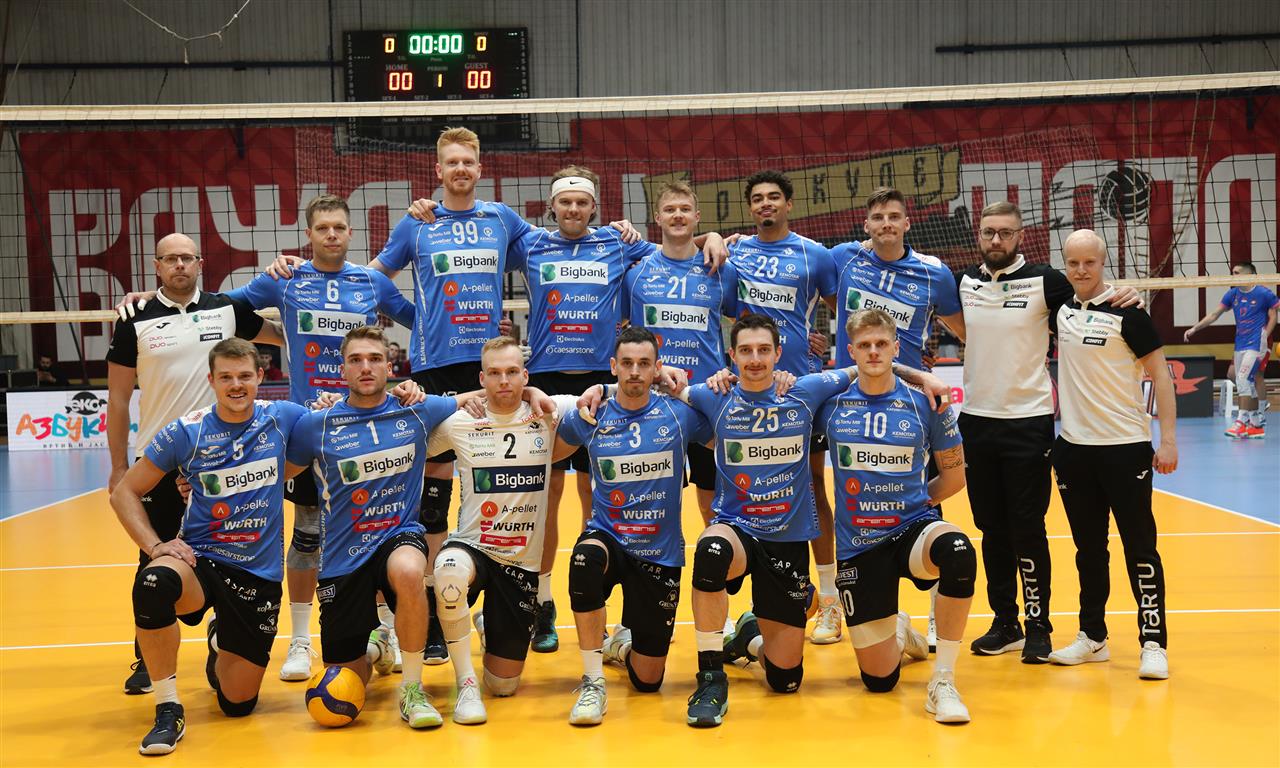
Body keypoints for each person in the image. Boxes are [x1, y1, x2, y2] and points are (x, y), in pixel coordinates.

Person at [220, 194, 417, 681]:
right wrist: (279, 333)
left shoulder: (371, 281)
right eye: (323, 227)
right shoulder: (286, 279)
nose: (331, 234)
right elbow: (224, 309)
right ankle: (301, 641)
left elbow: (423, 320)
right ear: (308, 234)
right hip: (310, 426)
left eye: (339, 227)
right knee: (307, 533)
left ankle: (385, 632)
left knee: (374, 527)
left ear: (350, 233)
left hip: (365, 425)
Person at [955, 201, 1139, 663]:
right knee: (990, 528)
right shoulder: (965, 282)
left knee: (1027, 527)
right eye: (988, 231)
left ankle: (1038, 626)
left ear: (1020, 237)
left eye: (1005, 232)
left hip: (1027, 421)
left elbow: (1089, 295)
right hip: (976, 421)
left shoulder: (1046, 280)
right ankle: (1005, 623)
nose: (996, 239)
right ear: (979, 234)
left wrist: (1125, 293)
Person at [109, 338, 309, 755]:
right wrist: (155, 546)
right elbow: (124, 492)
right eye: (226, 377)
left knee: (237, 704)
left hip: (257, 574)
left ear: (260, 377)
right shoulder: (187, 431)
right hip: (201, 559)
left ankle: (222, 639)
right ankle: (168, 708)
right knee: (153, 584)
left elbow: (335, 426)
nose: (236, 385)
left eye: (244, 376)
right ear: (211, 380)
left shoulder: (284, 418)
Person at [106, 232, 282, 695]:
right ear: (157, 266)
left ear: (200, 262)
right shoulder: (134, 318)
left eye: (187, 258)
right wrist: (119, 465)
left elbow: (282, 336)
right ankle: (147, 657)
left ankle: (225, 636)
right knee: (153, 556)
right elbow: (118, 399)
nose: (180, 265)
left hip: (222, 457)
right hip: (160, 458)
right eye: (170, 259)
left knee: (227, 548)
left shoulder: (227, 309)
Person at [285, 326, 471, 729]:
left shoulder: (417, 409)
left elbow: (480, 397)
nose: (365, 367)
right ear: (342, 370)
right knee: (348, 685)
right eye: (355, 360)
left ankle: (413, 690)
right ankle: (377, 647)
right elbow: (273, 472)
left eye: (374, 359)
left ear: (390, 366)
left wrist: (532, 392)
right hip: (342, 558)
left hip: (397, 535)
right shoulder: (317, 424)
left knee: (410, 571)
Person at [817, 309, 975, 723]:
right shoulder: (829, 405)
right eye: (864, 345)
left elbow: (955, 477)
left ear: (896, 347)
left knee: (958, 550)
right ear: (850, 351)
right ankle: (899, 629)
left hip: (911, 531)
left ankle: (943, 681)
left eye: (881, 344)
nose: (873, 352)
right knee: (879, 680)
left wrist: (917, 503)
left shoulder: (928, 403)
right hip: (859, 546)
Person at [826, 186, 966, 648]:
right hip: (851, 399)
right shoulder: (844, 259)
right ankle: (846, 602)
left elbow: (964, 328)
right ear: (866, 225)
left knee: (927, 499)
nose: (885, 223)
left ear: (907, 223)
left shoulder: (933, 273)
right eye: (877, 217)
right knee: (855, 498)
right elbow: (814, 290)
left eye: (893, 216)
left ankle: (934, 614)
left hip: (910, 403)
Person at [555, 326, 712, 725]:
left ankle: (620, 649)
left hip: (659, 553)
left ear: (657, 368)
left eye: (644, 364)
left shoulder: (678, 415)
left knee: (648, 680)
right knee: (584, 559)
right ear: (614, 367)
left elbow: (725, 423)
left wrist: (684, 387)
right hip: (608, 538)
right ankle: (593, 682)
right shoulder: (592, 414)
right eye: (627, 363)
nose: (635, 372)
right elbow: (548, 444)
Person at [1047, 230, 1178, 680]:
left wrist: (1168, 440)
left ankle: (1153, 643)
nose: (1081, 270)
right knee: (1088, 551)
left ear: (1104, 264)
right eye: (1073, 263)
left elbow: (1162, 377)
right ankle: (1093, 637)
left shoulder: (1129, 313)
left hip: (1125, 449)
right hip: (1074, 451)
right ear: (1065, 265)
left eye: (1090, 262)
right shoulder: (1062, 309)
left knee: (1140, 549)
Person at [427, 336, 575, 724]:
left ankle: (485, 626)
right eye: (494, 373)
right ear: (482, 379)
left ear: (525, 376)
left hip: (519, 563)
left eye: (512, 372)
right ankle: (466, 685)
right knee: (448, 573)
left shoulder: (548, 412)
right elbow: (411, 439)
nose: (503, 380)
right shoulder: (461, 422)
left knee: (504, 685)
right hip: (472, 546)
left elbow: (603, 399)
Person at [725, 170, 842, 646]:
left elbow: (846, 309)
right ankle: (762, 594)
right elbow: (722, 308)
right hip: (750, 392)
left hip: (801, 391)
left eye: (774, 197)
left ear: (789, 204)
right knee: (747, 490)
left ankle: (829, 599)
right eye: (757, 198)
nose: (766, 204)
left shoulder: (815, 255)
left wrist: (822, 340)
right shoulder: (735, 253)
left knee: (813, 486)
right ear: (750, 207)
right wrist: (712, 237)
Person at [622, 181, 738, 525]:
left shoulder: (722, 270)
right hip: (653, 399)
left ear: (697, 217)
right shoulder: (636, 274)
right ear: (657, 217)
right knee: (653, 500)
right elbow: (620, 329)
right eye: (670, 209)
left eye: (685, 209)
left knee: (712, 502)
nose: (677, 215)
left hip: (707, 397)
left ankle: (717, 557)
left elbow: (745, 323)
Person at [1184, 262, 1277, 439]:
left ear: (1249, 274)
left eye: (1236, 272)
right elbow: (1214, 314)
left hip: (1256, 344)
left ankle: (1241, 421)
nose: (1233, 275)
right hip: (1240, 343)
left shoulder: (1263, 293)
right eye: (1232, 272)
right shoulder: (1232, 294)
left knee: (1243, 379)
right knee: (1242, 380)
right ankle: (1256, 424)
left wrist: (1265, 335)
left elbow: (1274, 315)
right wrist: (1195, 328)